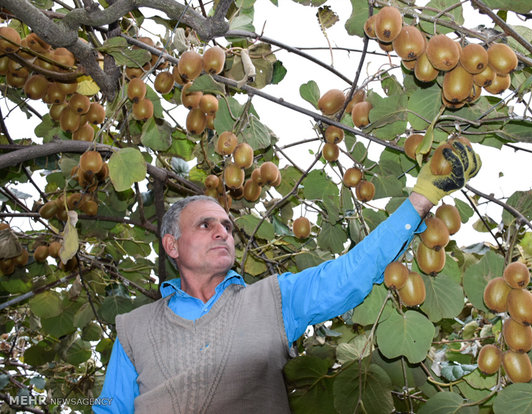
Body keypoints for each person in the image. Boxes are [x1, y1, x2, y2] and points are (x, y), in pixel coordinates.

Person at [93, 141, 480, 413]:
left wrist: (421, 199)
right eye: (206, 224)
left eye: (227, 226)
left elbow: (349, 275)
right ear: (172, 246)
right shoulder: (134, 328)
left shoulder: (273, 301)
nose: (222, 232)